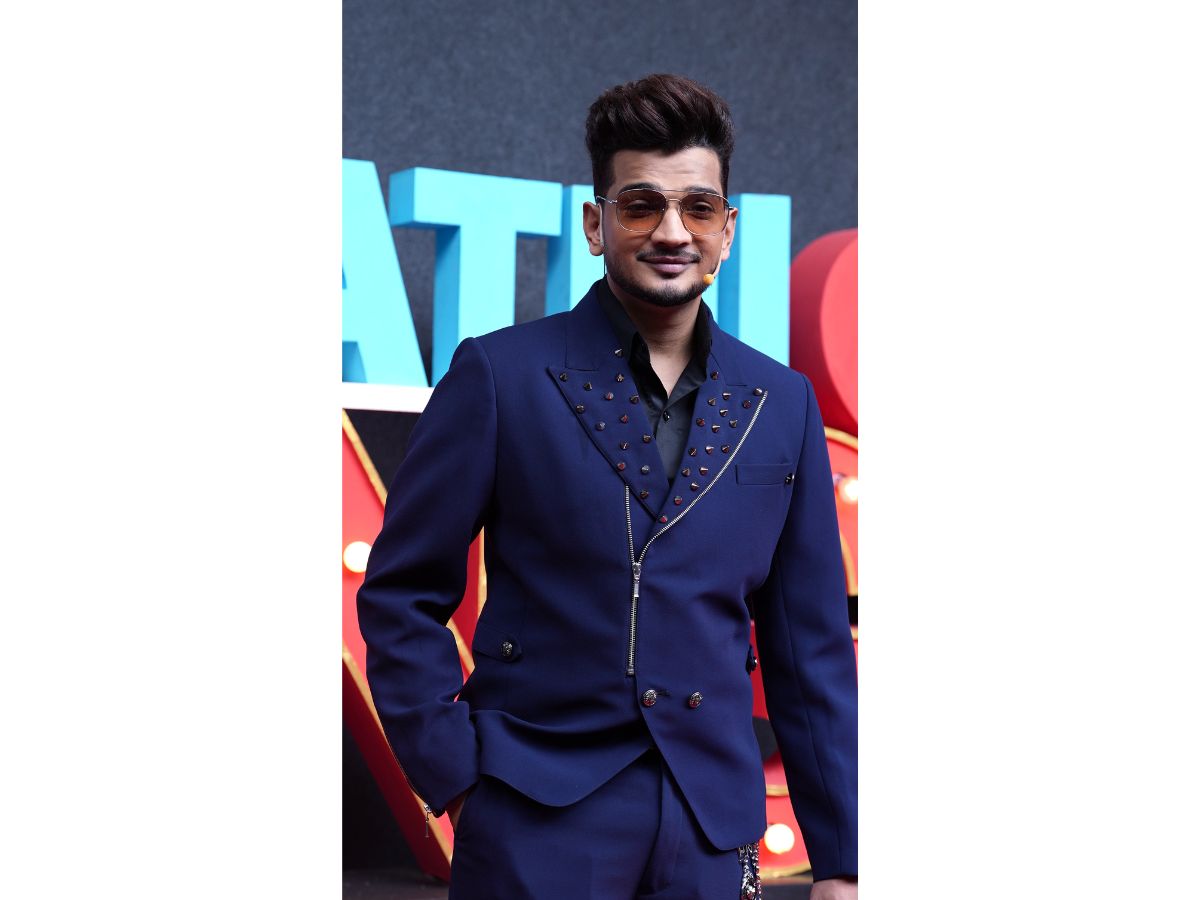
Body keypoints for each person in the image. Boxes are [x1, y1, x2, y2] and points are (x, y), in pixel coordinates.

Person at [357, 73, 858, 899]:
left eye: (699, 208)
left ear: (728, 230)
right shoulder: (501, 376)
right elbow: (401, 595)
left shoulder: (784, 403)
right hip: (533, 819)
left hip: (710, 833)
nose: (673, 231)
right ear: (596, 224)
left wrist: (842, 861)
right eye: (641, 205)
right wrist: (458, 778)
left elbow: (810, 652)